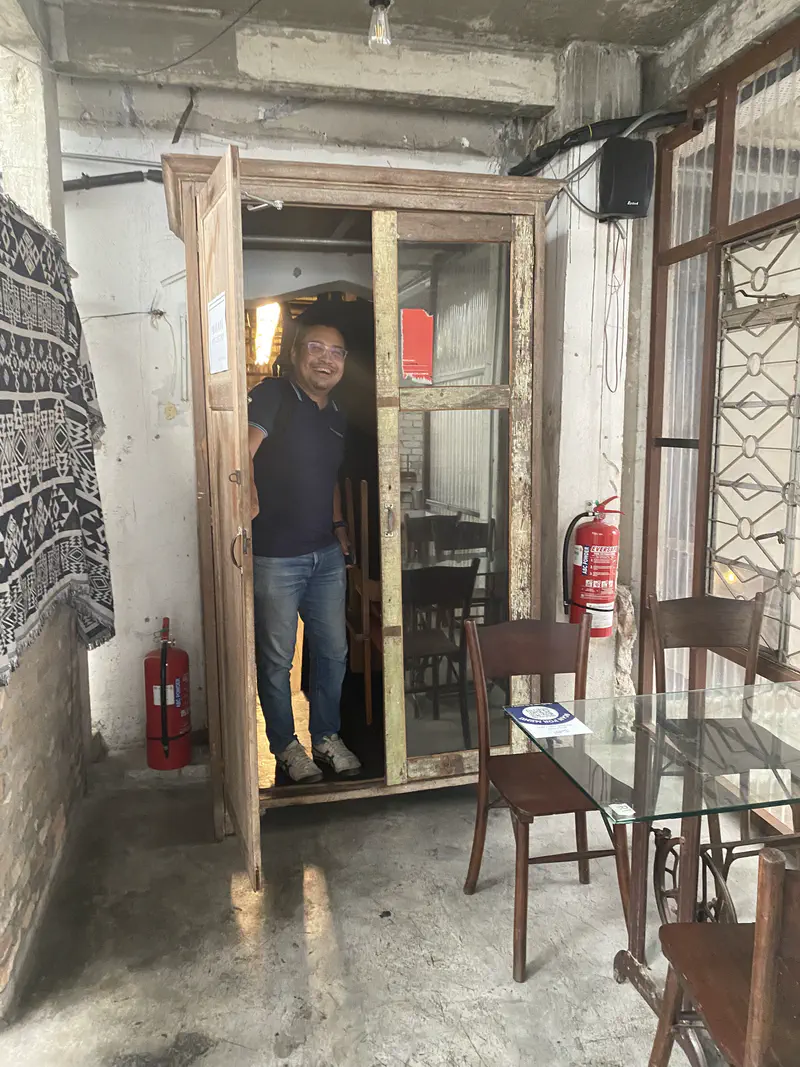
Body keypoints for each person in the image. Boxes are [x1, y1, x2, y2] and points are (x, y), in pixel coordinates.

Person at [248, 315, 361, 784]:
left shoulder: (336, 415)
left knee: (333, 651)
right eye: (316, 347)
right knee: (277, 658)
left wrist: (338, 525)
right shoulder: (273, 396)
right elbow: (239, 453)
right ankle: (285, 746)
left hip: (325, 556)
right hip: (275, 555)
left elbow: (328, 476)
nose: (325, 359)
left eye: (336, 352)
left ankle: (326, 737)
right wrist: (246, 497)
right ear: (295, 353)